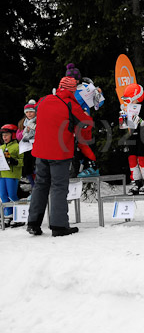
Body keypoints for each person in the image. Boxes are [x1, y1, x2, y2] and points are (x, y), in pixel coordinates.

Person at [26, 77, 93, 236]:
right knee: (58, 187)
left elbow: (37, 112)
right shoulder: (71, 104)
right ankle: (59, 226)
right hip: (60, 152)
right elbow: (86, 123)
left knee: (40, 185)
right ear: (73, 90)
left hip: (41, 151)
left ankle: (33, 223)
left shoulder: (43, 100)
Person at [65, 63, 103, 178]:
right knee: (74, 146)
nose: (72, 82)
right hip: (70, 122)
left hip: (83, 121)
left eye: (74, 80)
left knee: (84, 143)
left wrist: (98, 93)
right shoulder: (66, 89)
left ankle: (91, 166)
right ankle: (76, 168)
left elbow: (99, 103)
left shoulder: (86, 87)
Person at [120, 83, 144, 195]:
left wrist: (141, 121)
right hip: (133, 135)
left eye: (130, 99)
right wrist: (124, 117)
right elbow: (125, 126)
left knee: (141, 159)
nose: (128, 102)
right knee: (131, 158)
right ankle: (136, 183)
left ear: (137, 97)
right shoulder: (129, 106)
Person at [1, 124, 24, 226]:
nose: (4, 137)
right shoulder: (1, 147)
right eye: (3, 135)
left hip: (12, 174)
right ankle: (8, 214)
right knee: (3, 195)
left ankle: (19, 216)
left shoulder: (17, 146)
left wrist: (14, 161)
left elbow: (22, 161)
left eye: (6, 135)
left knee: (12, 195)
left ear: (13, 135)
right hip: (2, 174)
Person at [17, 100, 37, 198]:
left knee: (36, 168)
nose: (29, 114)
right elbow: (18, 136)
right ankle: (33, 187)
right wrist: (25, 132)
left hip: (36, 147)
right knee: (27, 169)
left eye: (31, 112)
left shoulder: (39, 120)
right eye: (27, 112)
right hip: (26, 148)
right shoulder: (22, 123)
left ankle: (38, 187)